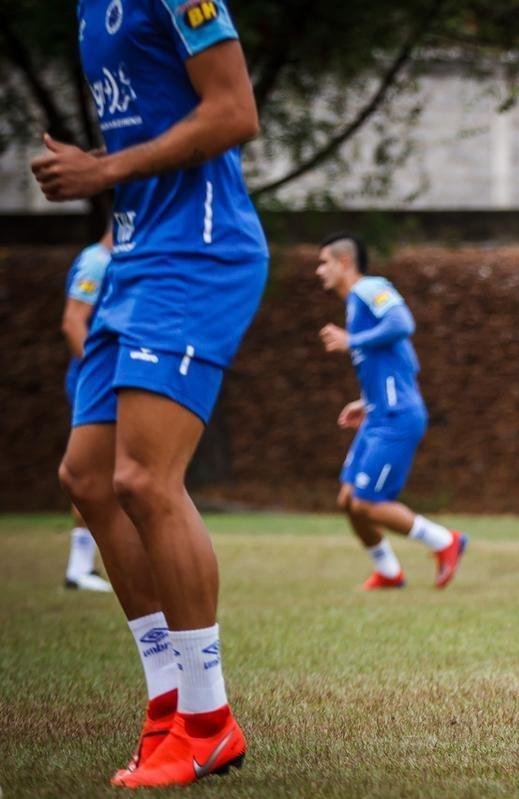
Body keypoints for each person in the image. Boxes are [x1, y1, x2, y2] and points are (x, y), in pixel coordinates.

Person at [34, 0, 269, 786]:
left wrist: (101, 170)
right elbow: (153, 127)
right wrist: (97, 164)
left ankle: (209, 720)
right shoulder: (87, 11)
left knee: (144, 477)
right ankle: (167, 703)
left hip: (198, 253)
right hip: (133, 258)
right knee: (88, 479)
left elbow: (236, 112)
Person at [316, 233, 467, 590]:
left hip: (397, 416)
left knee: (368, 503)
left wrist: (352, 340)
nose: (318, 270)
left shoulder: (370, 288)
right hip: (378, 413)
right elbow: (397, 362)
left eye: (323, 262)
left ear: (344, 262)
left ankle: (446, 542)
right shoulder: (355, 303)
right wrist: (364, 402)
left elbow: (402, 323)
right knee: (349, 501)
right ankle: (388, 571)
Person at [60, 229, 114, 592]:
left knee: (111, 477)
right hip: (98, 383)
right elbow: (72, 321)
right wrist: (100, 373)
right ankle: (79, 568)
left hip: (107, 380)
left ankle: (83, 567)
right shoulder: (98, 260)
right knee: (93, 474)